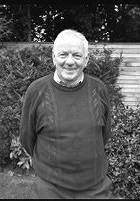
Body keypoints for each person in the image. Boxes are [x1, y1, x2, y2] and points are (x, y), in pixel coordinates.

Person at [19, 29, 112, 199]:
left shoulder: (99, 89)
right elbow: (27, 137)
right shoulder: (37, 91)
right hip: (51, 189)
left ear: (86, 59)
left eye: (76, 55)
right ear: (54, 57)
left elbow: (103, 135)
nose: (69, 62)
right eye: (63, 55)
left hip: (96, 188)